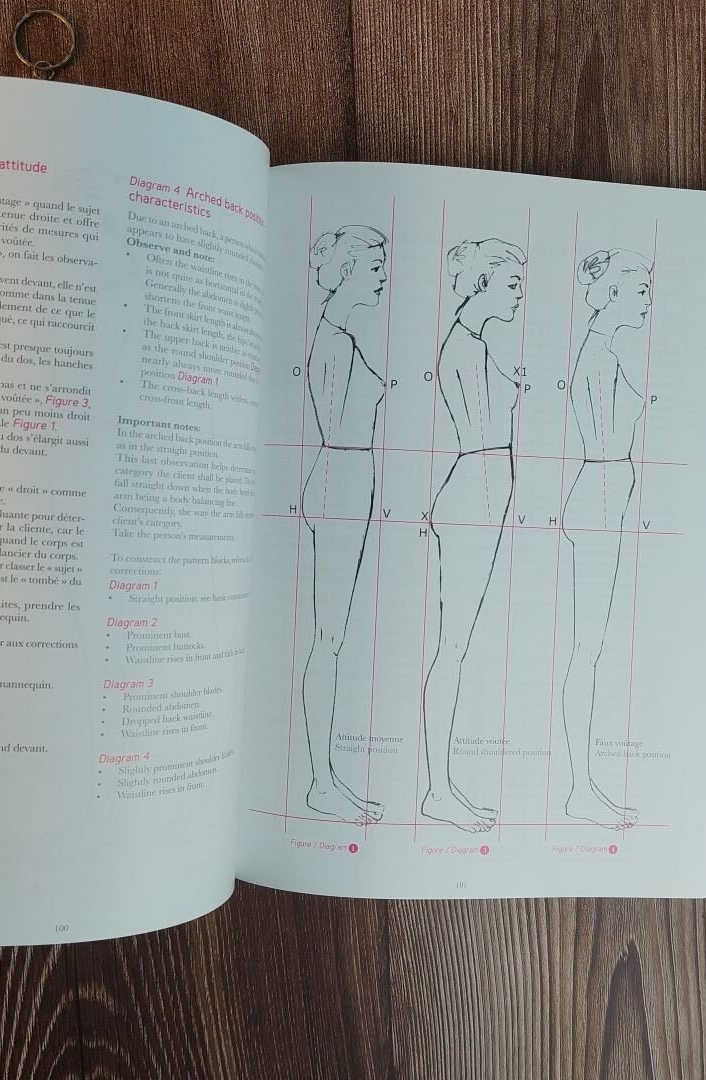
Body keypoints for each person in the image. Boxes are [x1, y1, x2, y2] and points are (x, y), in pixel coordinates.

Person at [421, 238, 526, 833]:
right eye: (512, 284)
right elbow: (483, 431)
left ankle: (443, 786)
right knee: (451, 648)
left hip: (485, 493)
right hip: (473, 496)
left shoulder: (476, 343)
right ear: (482, 285)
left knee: (458, 647)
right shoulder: (464, 346)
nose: (520, 295)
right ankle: (438, 791)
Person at [560, 247, 652, 828]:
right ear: (612, 292)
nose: (647, 300)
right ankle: (579, 788)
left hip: (604, 499)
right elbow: (603, 438)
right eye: (640, 289)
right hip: (596, 499)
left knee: (591, 649)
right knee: (585, 650)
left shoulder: (603, 351)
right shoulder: (597, 356)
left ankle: (583, 785)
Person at [301, 225, 388, 824]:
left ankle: (326, 778)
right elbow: (335, 426)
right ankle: (321, 782)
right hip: (339, 483)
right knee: (327, 639)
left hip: (348, 483)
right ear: (348, 270)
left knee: (332, 638)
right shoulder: (333, 341)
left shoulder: (341, 335)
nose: (383, 276)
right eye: (375, 266)